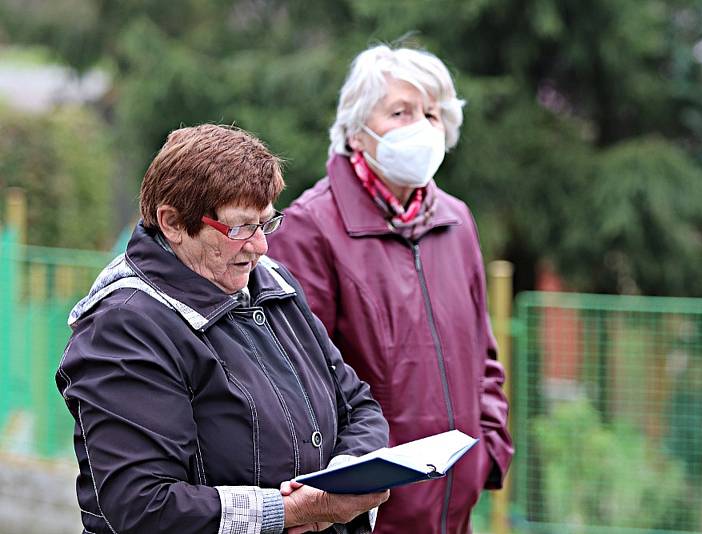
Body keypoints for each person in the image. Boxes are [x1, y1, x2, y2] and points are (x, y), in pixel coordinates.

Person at [56, 124, 390, 534]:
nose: (260, 246)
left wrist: (348, 477)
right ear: (173, 223)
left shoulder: (273, 284)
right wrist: (291, 510)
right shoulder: (124, 325)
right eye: (240, 228)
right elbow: (142, 505)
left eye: (266, 223)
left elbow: (357, 405)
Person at [269, 45, 513, 533]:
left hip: (453, 512)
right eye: (400, 112)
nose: (420, 126)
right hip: (364, 517)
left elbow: (484, 358)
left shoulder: (456, 221)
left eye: (431, 113)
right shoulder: (310, 227)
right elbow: (294, 383)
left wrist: (488, 454)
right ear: (358, 131)